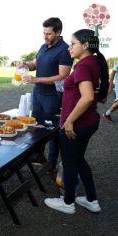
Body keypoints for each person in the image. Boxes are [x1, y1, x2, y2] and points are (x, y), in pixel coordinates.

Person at [44, 29, 109, 214]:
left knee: (70, 163)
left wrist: (70, 121)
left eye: (73, 44)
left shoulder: (83, 65)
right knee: (79, 161)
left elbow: (88, 97)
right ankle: (91, 200)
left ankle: (67, 203)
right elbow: (99, 95)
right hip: (89, 121)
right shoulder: (94, 62)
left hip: (77, 124)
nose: (69, 48)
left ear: (86, 45)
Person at [22, 17, 73, 168]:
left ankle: (51, 161)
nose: (45, 36)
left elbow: (62, 76)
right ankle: (38, 155)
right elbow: (34, 64)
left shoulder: (65, 50)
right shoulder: (43, 46)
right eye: (44, 33)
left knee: (52, 129)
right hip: (38, 93)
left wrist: (37, 79)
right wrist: (25, 64)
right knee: (37, 125)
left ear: (58, 32)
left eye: (49, 33)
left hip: (52, 96)